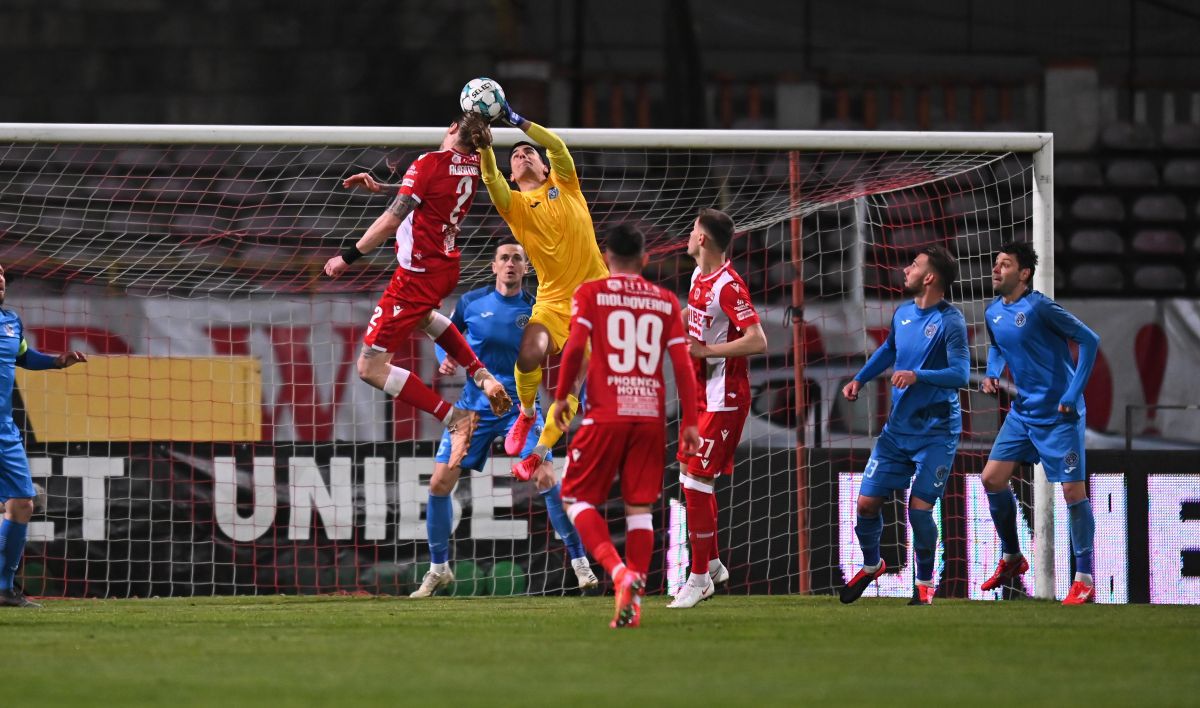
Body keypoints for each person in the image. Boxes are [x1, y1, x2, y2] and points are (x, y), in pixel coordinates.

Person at [409, 239, 599, 597]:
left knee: (545, 477)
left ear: (526, 268)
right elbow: (444, 336)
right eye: (504, 258)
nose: (510, 263)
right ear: (494, 266)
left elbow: (569, 350)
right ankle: (438, 569)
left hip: (521, 409)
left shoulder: (538, 309)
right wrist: (443, 357)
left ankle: (579, 562)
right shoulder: (471, 303)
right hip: (473, 409)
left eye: (517, 259)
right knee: (438, 484)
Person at [325, 112, 511, 470]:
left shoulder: (428, 163)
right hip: (445, 266)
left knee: (370, 368)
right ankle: (482, 375)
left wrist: (347, 257)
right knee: (426, 318)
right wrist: (387, 188)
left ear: (453, 128)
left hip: (415, 276)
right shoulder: (472, 166)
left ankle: (453, 418)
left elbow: (394, 218)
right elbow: (428, 193)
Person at [553, 223, 701, 629]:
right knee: (640, 509)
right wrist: (689, 420)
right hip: (651, 417)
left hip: (605, 414)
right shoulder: (667, 301)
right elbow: (683, 367)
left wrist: (563, 397)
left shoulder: (591, 293)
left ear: (605, 257)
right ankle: (633, 595)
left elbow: (572, 350)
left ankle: (619, 573)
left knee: (575, 499)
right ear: (646, 258)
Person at [476, 99, 609, 482]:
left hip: (593, 306)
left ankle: (539, 452)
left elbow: (558, 145)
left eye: (527, 152)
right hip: (552, 303)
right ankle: (528, 411)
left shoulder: (565, 184)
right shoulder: (515, 206)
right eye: (515, 156)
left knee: (574, 383)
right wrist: (486, 146)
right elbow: (490, 180)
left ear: (544, 166)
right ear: (513, 176)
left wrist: (515, 119)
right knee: (528, 353)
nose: (521, 155)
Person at [839, 246, 968, 606]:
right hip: (898, 431)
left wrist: (918, 375)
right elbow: (889, 350)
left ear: (929, 277)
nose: (906, 269)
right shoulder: (903, 313)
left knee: (919, 509)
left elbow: (960, 373)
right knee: (866, 504)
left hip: (937, 432)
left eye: (914, 265)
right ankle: (872, 565)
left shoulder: (950, 322)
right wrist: (860, 379)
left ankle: (924, 583)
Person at [979, 242, 1100, 605]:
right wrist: (991, 373)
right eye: (995, 263)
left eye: (1004, 265)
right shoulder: (993, 312)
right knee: (991, 479)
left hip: (1060, 415)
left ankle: (1084, 577)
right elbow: (998, 344)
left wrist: (1071, 393)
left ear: (1024, 273)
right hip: (1023, 413)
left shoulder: (1041, 307)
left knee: (1072, 493)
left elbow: (1089, 341)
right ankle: (1012, 557)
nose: (996, 270)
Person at [668, 209, 768, 609]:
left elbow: (757, 340)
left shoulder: (729, 286)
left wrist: (709, 350)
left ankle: (698, 579)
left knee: (696, 483)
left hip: (724, 397)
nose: (688, 237)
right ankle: (711, 564)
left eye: (692, 231)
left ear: (704, 240)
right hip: (700, 394)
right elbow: (690, 319)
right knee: (689, 478)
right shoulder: (698, 277)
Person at [0, 264, 87, 607]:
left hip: (4, 430)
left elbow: (23, 356)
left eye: (2, 274)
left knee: (22, 504)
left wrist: (55, 362)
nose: (1, 279)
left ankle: (4, 589)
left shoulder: (10, 321)